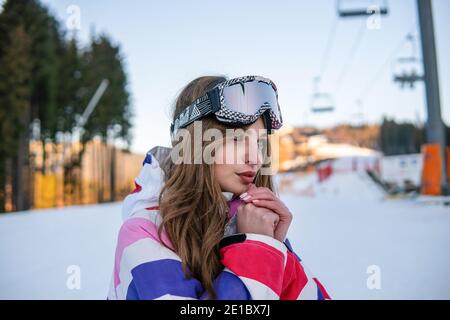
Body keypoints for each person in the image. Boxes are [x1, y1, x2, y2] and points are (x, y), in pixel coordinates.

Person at [107, 75, 330, 300]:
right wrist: (257, 251)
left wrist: (277, 251)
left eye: (259, 143)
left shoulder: (248, 224)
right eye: (236, 139)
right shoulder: (144, 233)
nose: (255, 158)